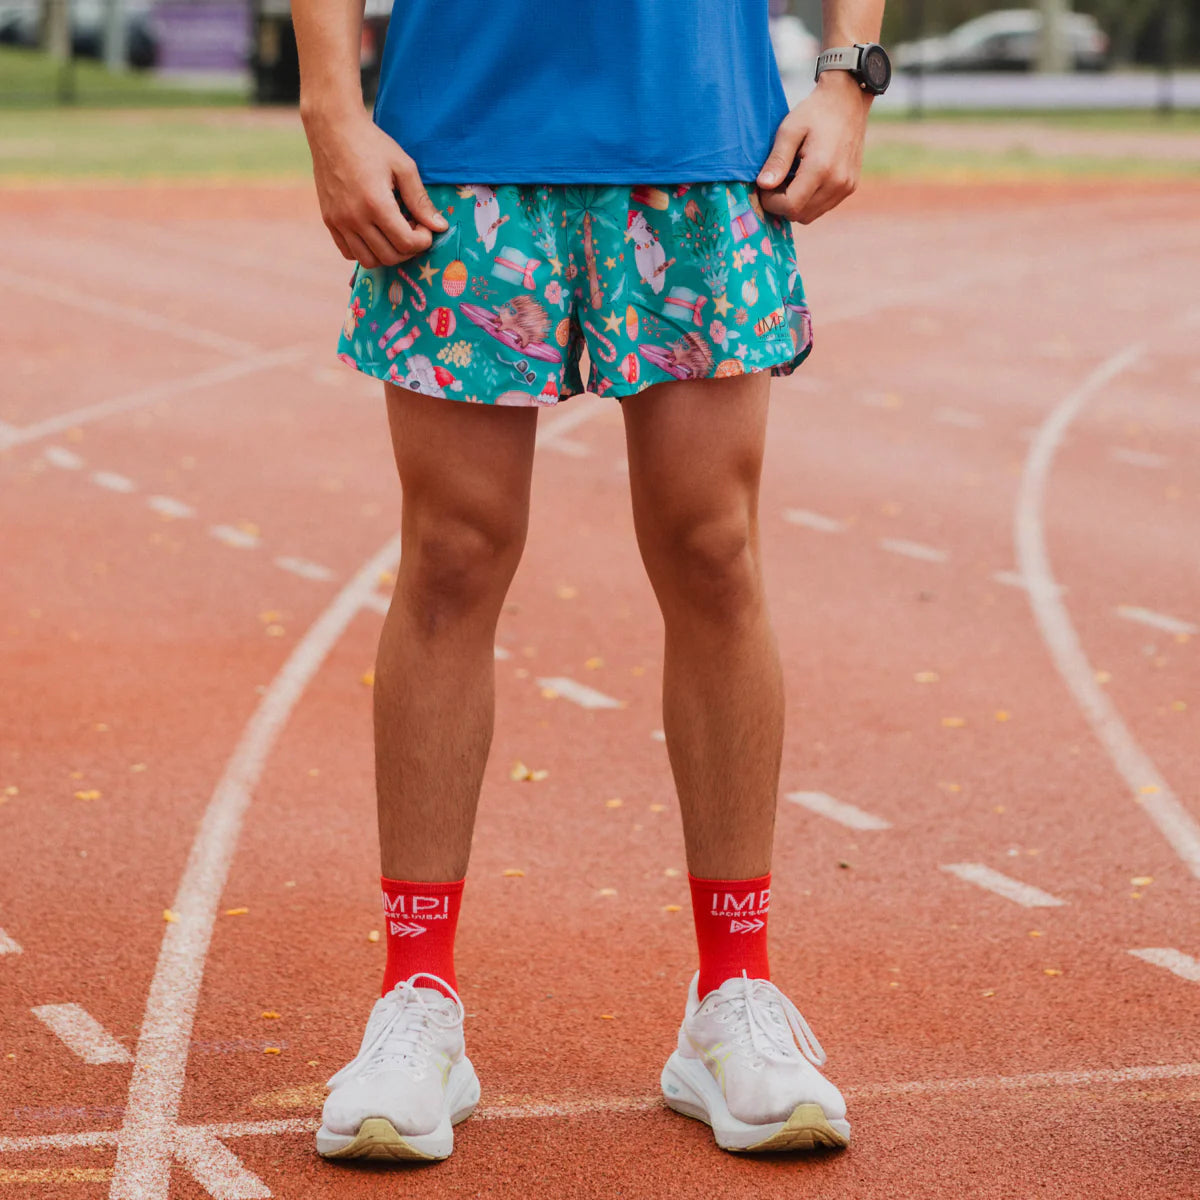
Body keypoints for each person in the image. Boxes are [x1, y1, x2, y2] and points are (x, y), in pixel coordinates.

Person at [294, 0, 885, 1163]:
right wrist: (330, 107)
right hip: (458, 148)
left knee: (713, 550)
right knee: (453, 557)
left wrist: (849, 75)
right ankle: (418, 1003)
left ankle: (733, 999)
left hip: (705, 149)